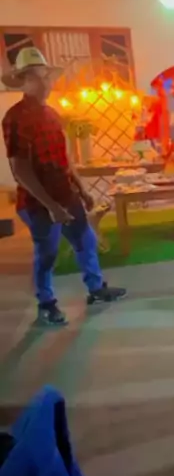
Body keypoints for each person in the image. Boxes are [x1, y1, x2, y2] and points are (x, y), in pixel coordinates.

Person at [1, 47, 126, 326]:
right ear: (24, 80)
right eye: (39, 77)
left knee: (86, 241)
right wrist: (51, 206)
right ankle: (46, 304)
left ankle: (96, 289)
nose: (46, 82)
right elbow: (20, 169)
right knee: (47, 254)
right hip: (38, 203)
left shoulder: (52, 115)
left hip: (66, 195)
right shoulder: (14, 118)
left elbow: (65, 158)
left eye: (47, 76)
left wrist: (82, 189)